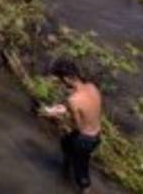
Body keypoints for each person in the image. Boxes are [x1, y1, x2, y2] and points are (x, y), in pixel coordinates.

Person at [38, 58, 103, 190]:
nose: (62, 83)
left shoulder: (73, 100)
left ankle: (85, 188)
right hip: (97, 135)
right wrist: (60, 109)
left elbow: (78, 126)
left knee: (82, 175)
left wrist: (53, 114)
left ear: (67, 78)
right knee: (66, 142)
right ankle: (66, 167)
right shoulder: (92, 87)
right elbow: (81, 107)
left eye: (61, 80)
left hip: (84, 140)